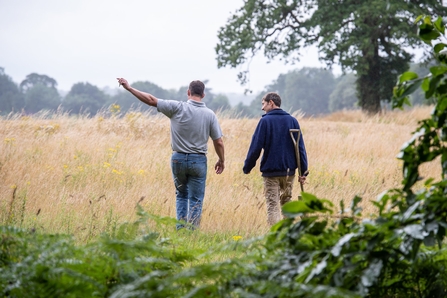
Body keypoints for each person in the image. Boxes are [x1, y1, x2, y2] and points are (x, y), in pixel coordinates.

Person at [116, 78, 225, 230]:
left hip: (178, 159)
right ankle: (192, 233)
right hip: (198, 160)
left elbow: (151, 100)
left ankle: (180, 230)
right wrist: (221, 160)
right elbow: (218, 142)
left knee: (181, 195)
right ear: (203, 95)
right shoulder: (210, 115)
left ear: (188, 92)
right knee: (196, 199)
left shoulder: (176, 107)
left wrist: (129, 88)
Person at [243, 92, 308, 226]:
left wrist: (247, 167)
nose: (262, 108)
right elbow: (300, 148)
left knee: (272, 205)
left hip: (271, 172)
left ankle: (275, 235)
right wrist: (304, 171)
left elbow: (256, 147)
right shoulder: (292, 120)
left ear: (271, 102)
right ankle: (288, 234)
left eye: (263, 104)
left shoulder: (265, 121)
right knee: (286, 203)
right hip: (289, 171)